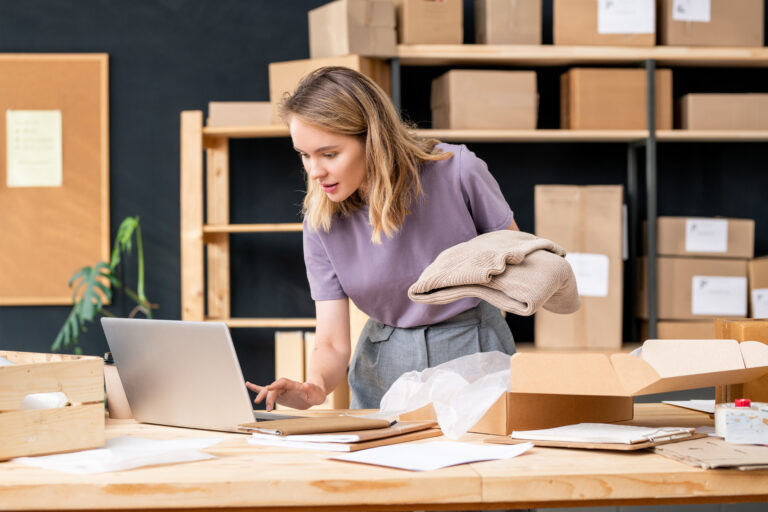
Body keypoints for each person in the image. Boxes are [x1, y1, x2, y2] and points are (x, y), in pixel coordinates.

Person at [246, 66, 519, 411]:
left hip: (474, 354)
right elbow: (331, 341)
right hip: (383, 370)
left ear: (372, 138)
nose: (315, 172)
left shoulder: (458, 171)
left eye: (329, 154)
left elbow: (520, 264)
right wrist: (314, 387)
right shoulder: (321, 223)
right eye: (304, 155)